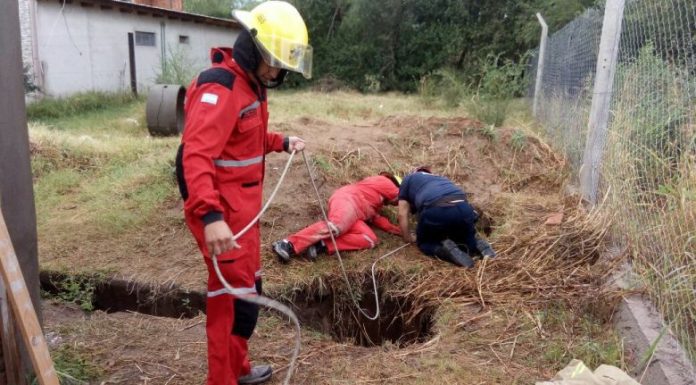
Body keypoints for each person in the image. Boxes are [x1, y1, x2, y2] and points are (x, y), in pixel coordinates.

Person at [174, 2, 312, 384]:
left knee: (250, 295)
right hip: (221, 215)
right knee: (231, 305)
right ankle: (223, 379)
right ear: (253, 48)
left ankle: (240, 369)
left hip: (243, 215)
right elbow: (196, 155)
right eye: (274, 60)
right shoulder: (220, 87)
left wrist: (281, 142)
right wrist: (211, 218)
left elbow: (243, 139)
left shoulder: (251, 84)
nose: (277, 71)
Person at [272, 172, 402, 262]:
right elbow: (402, 197)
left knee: (370, 239)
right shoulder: (387, 182)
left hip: (356, 215)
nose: (394, 204)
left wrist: (400, 231)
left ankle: (321, 244)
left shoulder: (376, 203)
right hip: (348, 200)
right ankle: (287, 244)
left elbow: (378, 220)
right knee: (336, 225)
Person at [397, 167, 496, 268]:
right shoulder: (440, 178)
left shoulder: (408, 179)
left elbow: (402, 214)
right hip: (464, 207)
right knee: (464, 238)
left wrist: (407, 237)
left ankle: (446, 251)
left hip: (437, 208)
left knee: (425, 243)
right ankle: (477, 243)